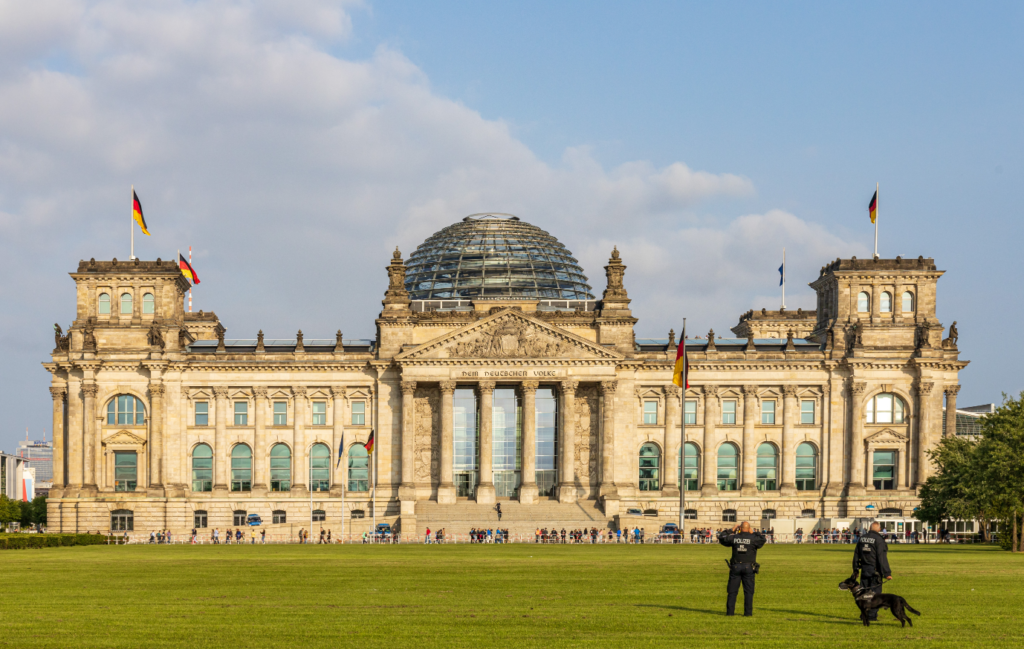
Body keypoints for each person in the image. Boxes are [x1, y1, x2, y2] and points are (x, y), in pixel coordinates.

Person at [718, 521, 766, 617]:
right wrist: (754, 532)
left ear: (739, 528)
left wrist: (731, 530)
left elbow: (721, 537)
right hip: (749, 567)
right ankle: (748, 613)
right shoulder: (753, 538)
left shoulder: (734, 537)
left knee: (732, 591)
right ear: (749, 528)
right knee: (748, 592)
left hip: (735, 566)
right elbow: (763, 539)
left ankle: (730, 613)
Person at [853, 521, 893, 622]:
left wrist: (855, 569)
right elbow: (881, 557)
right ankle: (871, 616)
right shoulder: (879, 540)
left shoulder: (862, 538)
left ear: (870, 528)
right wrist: (887, 573)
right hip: (875, 571)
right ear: (879, 529)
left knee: (864, 593)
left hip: (864, 570)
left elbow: (856, 554)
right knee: (875, 595)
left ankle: (864, 615)